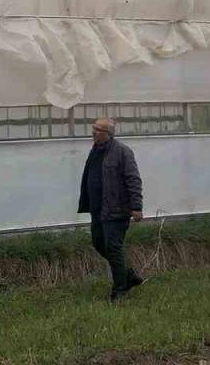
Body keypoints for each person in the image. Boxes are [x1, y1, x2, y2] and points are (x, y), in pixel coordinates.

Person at [78, 117, 146, 300]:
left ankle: (120, 291)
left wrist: (136, 206)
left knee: (114, 248)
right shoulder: (95, 150)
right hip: (98, 209)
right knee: (99, 244)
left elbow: (133, 180)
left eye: (98, 130)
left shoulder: (122, 151)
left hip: (116, 209)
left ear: (108, 134)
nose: (93, 132)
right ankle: (128, 275)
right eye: (93, 128)